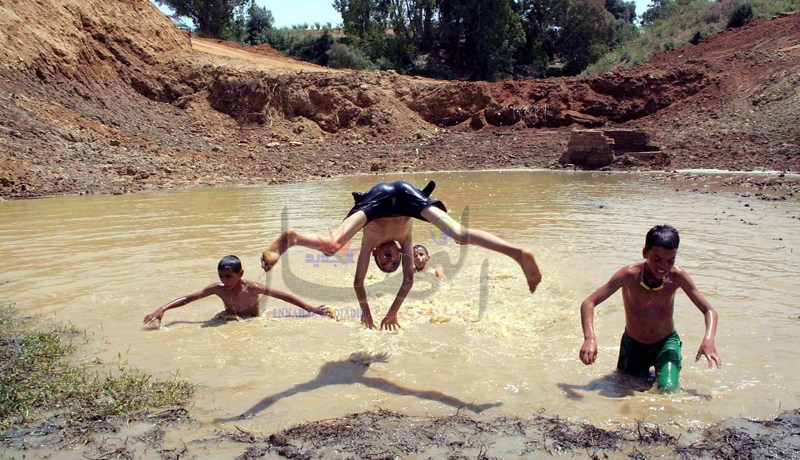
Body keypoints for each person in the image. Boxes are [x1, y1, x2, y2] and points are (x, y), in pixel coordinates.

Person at [260, 180, 541, 331]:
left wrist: (366, 312)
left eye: (386, 261)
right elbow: (407, 279)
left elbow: (358, 282)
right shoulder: (406, 239)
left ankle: (292, 238)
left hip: (380, 197)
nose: (390, 259)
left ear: (375, 257)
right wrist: (393, 312)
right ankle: (517, 253)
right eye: (391, 261)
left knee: (334, 244)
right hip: (406, 196)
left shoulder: (369, 242)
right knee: (456, 234)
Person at [578, 225, 721, 393]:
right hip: (633, 345)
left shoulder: (678, 277)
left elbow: (709, 310)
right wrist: (590, 338)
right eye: (657, 259)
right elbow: (589, 303)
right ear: (645, 252)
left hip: (666, 344)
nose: (664, 266)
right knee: (624, 389)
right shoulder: (629, 275)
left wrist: (709, 339)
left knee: (667, 389)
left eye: (671, 260)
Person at [143, 255, 332, 325]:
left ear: (240, 273)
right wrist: (162, 308)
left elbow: (285, 296)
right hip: (228, 317)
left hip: (252, 320)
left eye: (228, 276)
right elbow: (188, 298)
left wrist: (312, 309)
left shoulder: (253, 288)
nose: (224, 281)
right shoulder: (218, 289)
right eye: (221, 276)